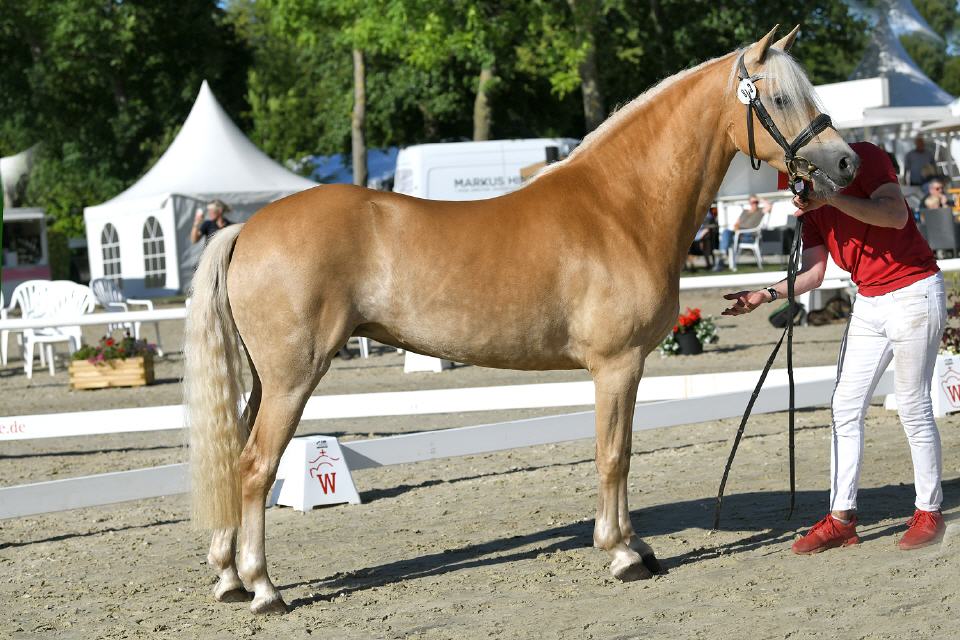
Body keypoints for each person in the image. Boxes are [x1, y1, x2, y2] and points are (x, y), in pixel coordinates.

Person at [721, 141, 947, 554]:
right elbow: (813, 273)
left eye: (796, 177)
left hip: (915, 291)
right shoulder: (813, 205)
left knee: (912, 405)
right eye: (789, 180)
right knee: (844, 406)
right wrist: (763, 296)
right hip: (868, 301)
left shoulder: (865, 157)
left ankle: (928, 510)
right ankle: (842, 517)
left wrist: (832, 199)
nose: (794, 188)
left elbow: (895, 216)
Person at [713, 195, 769, 271]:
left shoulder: (760, 211)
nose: (755, 204)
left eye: (756, 202)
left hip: (749, 235)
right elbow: (736, 224)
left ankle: (721, 260)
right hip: (738, 233)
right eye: (753, 202)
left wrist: (759, 198)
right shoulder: (745, 211)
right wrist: (736, 230)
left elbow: (769, 206)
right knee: (726, 232)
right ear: (749, 203)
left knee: (728, 240)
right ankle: (723, 254)